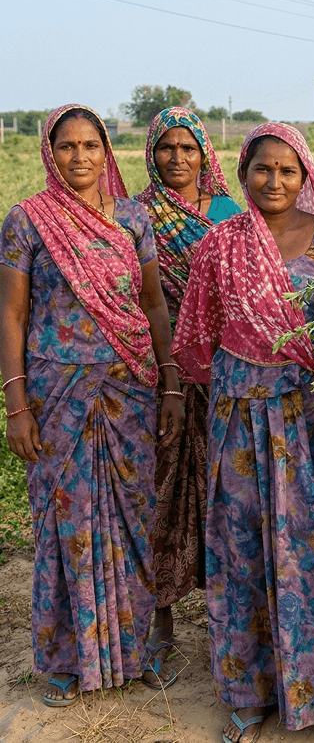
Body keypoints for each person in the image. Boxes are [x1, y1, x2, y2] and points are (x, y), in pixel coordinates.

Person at [172, 123, 314, 743]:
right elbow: (197, 340)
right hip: (239, 423)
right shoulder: (219, 245)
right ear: (242, 174)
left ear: (306, 173)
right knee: (244, 548)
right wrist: (247, 377)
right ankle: (251, 691)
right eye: (262, 168)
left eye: (287, 169)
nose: (274, 180)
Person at [0, 104, 183, 707]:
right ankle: (64, 657)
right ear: (48, 152)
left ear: (108, 151)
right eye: (67, 146)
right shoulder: (27, 221)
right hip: (57, 395)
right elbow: (12, 313)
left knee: (136, 517)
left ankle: (139, 648)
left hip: (129, 390)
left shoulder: (133, 219)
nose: (80, 157)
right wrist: (16, 404)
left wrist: (170, 383)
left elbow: (155, 306)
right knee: (65, 521)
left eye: (91, 145)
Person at [136, 107, 241, 662]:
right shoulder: (134, 214)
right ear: (151, 154)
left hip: (226, 373)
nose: (177, 159)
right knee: (165, 490)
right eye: (166, 148)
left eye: (188, 148)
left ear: (205, 155)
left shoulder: (228, 213)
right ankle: (162, 616)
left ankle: (234, 617)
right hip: (161, 374)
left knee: (230, 492)